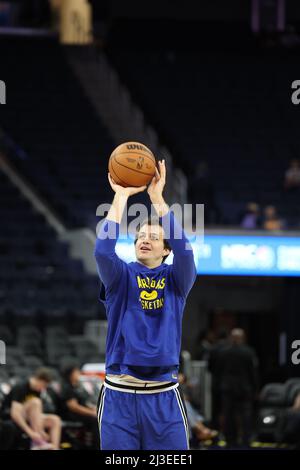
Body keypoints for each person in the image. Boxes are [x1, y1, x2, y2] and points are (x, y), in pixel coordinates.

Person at [94, 159, 197, 450]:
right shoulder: (121, 275)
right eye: (140, 236)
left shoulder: (177, 279)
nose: (144, 240)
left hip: (164, 397)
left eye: (153, 237)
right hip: (119, 395)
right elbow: (102, 250)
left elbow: (186, 251)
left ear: (166, 249)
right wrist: (121, 196)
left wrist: (156, 199)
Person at [218, 329, 258, 447]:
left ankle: (230, 440)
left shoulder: (223, 352)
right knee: (246, 415)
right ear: (242, 338)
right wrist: (255, 388)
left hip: (227, 388)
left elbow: (217, 371)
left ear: (231, 338)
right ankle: (246, 439)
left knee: (228, 414)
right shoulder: (249, 352)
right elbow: (253, 373)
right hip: (244, 388)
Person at [3, 367, 61, 450]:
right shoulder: (21, 387)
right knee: (35, 402)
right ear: (39, 379)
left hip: (28, 417)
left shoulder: (38, 391)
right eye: (44, 385)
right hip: (11, 416)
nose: (43, 388)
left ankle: (54, 448)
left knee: (55, 420)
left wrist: (41, 430)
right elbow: (15, 414)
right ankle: (37, 442)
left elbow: (35, 414)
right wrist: (31, 433)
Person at [60, 363, 99, 449]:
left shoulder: (77, 386)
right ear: (70, 374)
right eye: (76, 372)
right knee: (96, 420)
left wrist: (93, 409)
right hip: (71, 415)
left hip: (81, 412)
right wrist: (91, 413)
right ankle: (97, 446)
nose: (79, 374)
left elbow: (83, 402)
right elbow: (74, 407)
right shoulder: (67, 387)